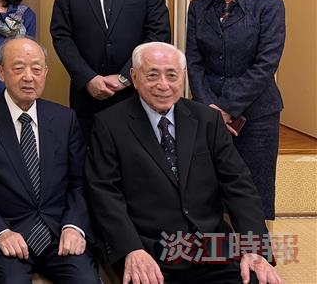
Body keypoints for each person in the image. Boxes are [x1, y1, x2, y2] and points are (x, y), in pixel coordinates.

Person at [86, 42, 282, 284]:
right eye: (152, 75)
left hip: (211, 247)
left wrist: (255, 249)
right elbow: (104, 193)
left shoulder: (208, 120)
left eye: (172, 75)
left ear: (184, 77)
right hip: (149, 248)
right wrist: (130, 249)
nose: (163, 85)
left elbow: (239, 185)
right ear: (135, 78)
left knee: (257, 279)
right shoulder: (109, 124)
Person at [0, 36, 99, 283]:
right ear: (0, 72)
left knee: (86, 279)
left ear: (45, 72)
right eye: (18, 68)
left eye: (36, 69)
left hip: (58, 234)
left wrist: (73, 226)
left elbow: (79, 183)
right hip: (6, 235)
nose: (29, 77)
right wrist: (0, 233)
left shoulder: (65, 118)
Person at [186, 0, 285, 220]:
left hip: (258, 113)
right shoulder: (198, 8)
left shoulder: (270, 6)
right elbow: (193, 60)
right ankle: (218, 252)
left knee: (255, 183)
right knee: (209, 182)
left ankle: (256, 251)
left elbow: (266, 64)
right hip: (207, 111)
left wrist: (227, 108)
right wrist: (210, 108)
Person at [50, 0, 170, 141]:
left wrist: (125, 77)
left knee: (135, 158)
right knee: (88, 159)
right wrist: (87, 78)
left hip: (135, 91)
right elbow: (61, 35)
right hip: (87, 95)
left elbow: (158, 34)